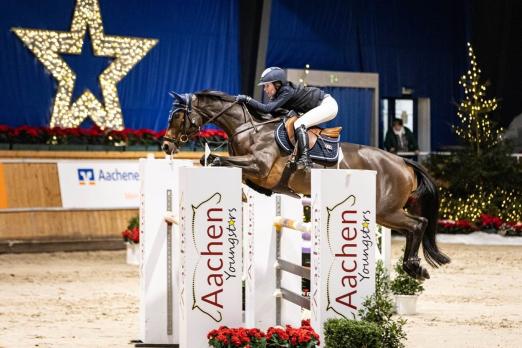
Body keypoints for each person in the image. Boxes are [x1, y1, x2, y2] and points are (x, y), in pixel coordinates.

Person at [235, 67, 338, 170]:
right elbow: (271, 111)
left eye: (267, 85)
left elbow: (266, 109)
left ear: (277, 84)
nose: (265, 89)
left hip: (328, 105)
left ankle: (305, 158)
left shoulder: (286, 91)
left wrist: (247, 99)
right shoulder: (280, 93)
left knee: (299, 124)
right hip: (321, 105)